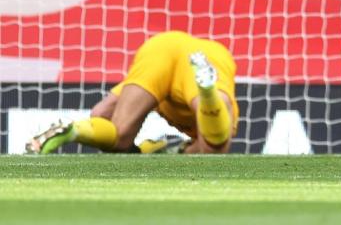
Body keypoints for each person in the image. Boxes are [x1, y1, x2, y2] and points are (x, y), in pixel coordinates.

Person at [26, 31, 239, 155]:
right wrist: (176, 154)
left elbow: (101, 113)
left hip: (162, 46)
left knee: (119, 135)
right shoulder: (211, 126)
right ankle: (209, 93)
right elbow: (204, 150)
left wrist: (140, 151)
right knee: (214, 146)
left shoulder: (162, 85)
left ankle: (73, 129)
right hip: (208, 56)